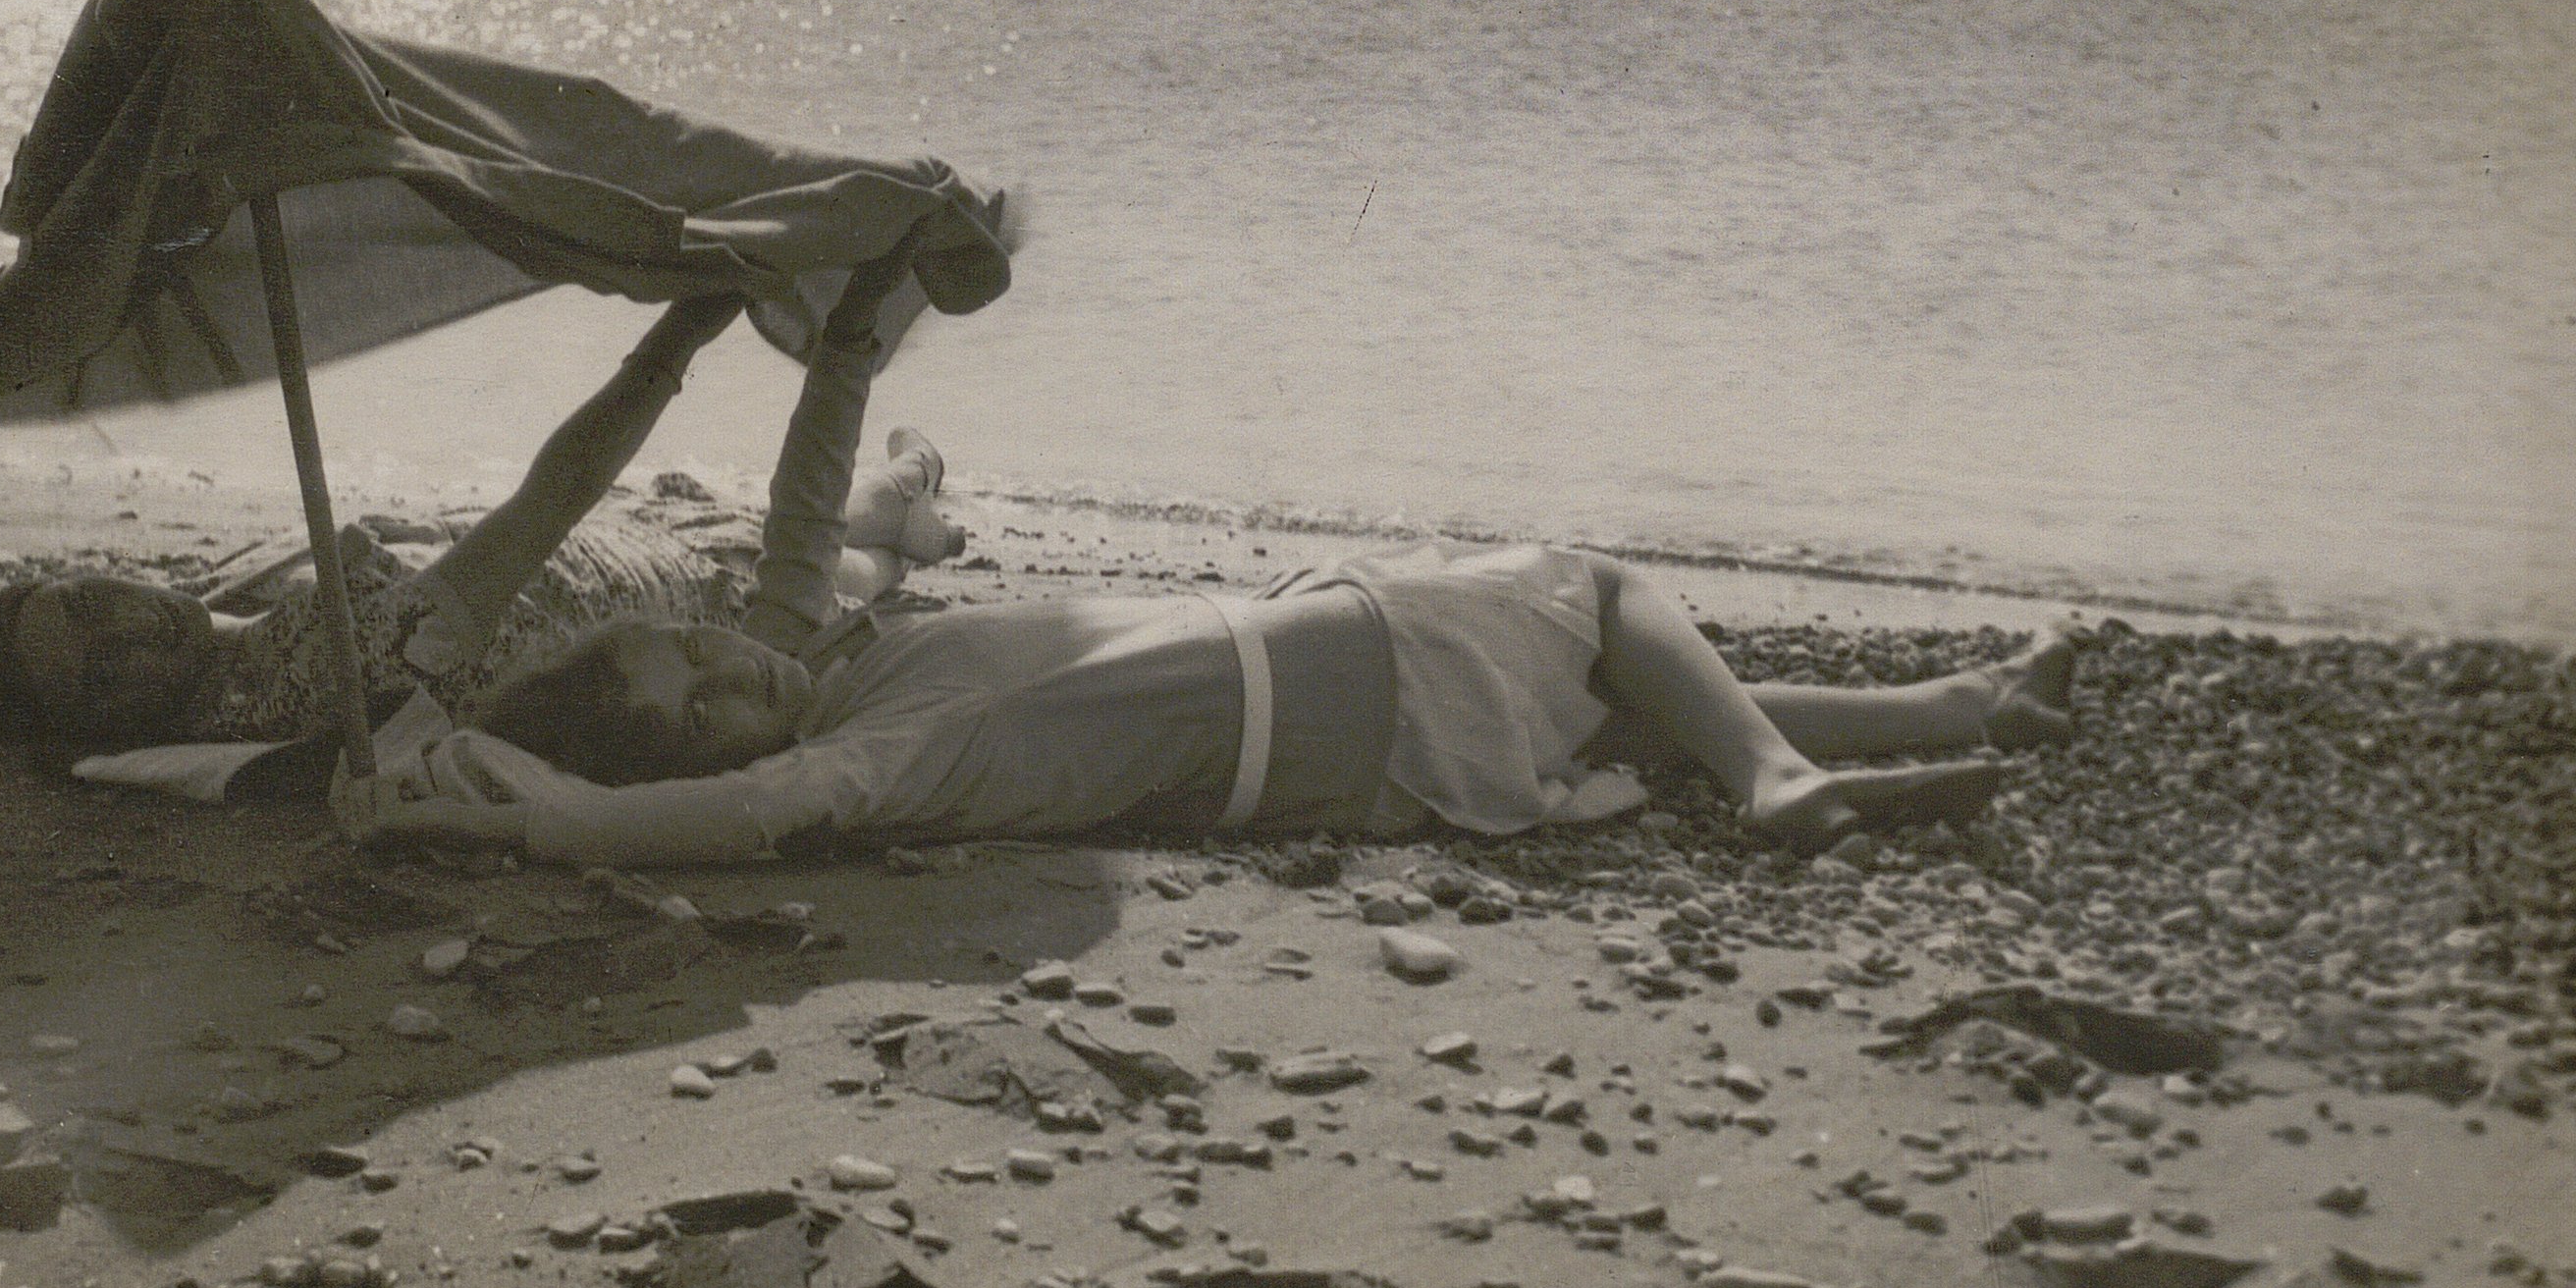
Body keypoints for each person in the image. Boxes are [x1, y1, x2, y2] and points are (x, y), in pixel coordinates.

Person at [341, 291, 2086, 868]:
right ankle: (1779, 774)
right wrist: (543, 820)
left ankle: (1954, 702)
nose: (733, 679)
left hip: (1357, 724)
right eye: (699, 717)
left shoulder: (849, 657)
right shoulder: (868, 762)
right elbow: (724, 824)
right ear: (706, 761)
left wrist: (836, 305)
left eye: (694, 651)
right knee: (1597, 587)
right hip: (1344, 692)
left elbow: (812, 487)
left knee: (1598, 671)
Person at [0, 226, 943, 756]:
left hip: (628, 562)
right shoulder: (325, 667)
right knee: (856, 548)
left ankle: (915, 485)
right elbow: (549, 498)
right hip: (679, 604)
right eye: (99, 672)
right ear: (100, 724)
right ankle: (917, 478)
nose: (126, 630)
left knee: (855, 531)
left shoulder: (208, 653)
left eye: (86, 600)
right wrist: (683, 329)